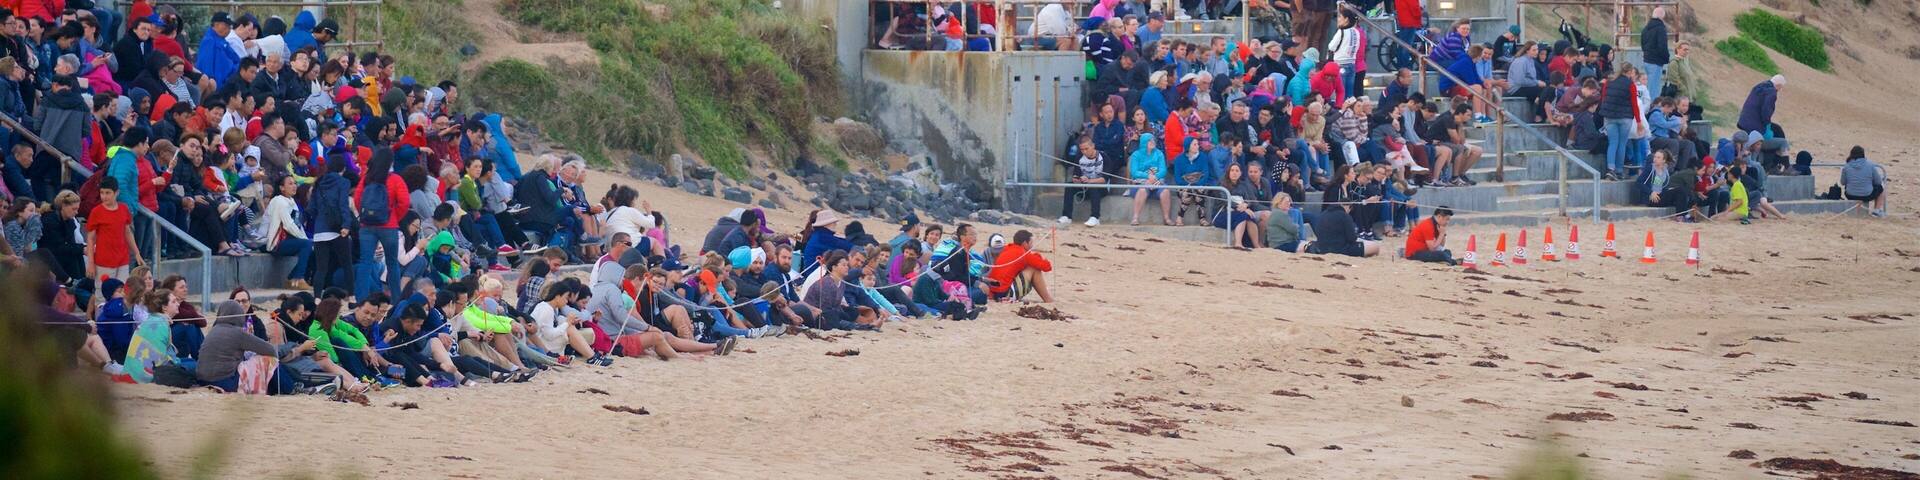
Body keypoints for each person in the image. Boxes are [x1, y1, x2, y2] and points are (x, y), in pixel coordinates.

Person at [196, 300, 301, 394]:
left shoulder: (213, 331)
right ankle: (290, 388)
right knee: (268, 360)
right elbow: (270, 350)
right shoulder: (237, 333)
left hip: (202, 380)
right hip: (225, 382)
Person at [259, 174, 312, 290]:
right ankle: (298, 278)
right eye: (290, 183)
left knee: (313, 246)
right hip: (272, 242)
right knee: (307, 244)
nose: (294, 186)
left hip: (286, 240)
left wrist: (308, 240)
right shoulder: (278, 201)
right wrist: (306, 241)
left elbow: (298, 226)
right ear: (282, 188)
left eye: (295, 183)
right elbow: (289, 225)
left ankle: (292, 279)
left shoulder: (292, 202)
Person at [86, 177, 142, 280]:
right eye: (102, 193)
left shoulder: (124, 209)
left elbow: (127, 232)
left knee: (122, 292)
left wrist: (136, 252)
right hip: (103, 261)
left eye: (108, 193)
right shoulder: (96, 212)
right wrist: (91, 263)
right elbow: (90, 238)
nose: (104, 196)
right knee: (103, 294)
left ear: (116, 193)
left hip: (122, 260)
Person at [985, 230, 1055, 303]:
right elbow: (1047, 267)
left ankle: (1048, 299)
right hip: (1004, 293)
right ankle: (1048, 300)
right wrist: (1037, 256)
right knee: (1034, 269)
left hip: (993, 292)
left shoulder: (1007, 248)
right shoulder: (1023, 254)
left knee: (1026, 267)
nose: (1032, 245)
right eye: (1031, 243)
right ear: (1025, 243)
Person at [1060, 138, 1108, 227]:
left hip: (1100, 188)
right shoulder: (1079, 157)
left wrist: (1090, 181)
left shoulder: (1104, 157)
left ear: (1093, 146)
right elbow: (1076, 175)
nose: (1084, 152)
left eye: (1086, 149)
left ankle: (1095, 217)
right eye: (1082, 149)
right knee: (1069, 186)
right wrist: (1078, 179)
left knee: (1094, 187)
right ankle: (1066, 216)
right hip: (1084, 187)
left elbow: (1104, 179)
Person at [1128, 133, 1174, 226]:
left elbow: (1163, 170)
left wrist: (1154, 177)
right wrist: (1147, 176)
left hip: (1157, 182)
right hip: (1140, 183)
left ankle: (1167, 218)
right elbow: (1134, 172)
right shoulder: (1136, 155)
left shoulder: (1159, 153)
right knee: (1142, 190)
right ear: (1144, 142)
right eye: (1150, 140)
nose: (1153, 142)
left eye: (1153, 140)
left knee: (1165, 191)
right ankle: (1135, 217)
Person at [1736, 75, 1788, 155]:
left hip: (1744, 122)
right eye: (1780, 88)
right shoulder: (1771, 92)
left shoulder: (1759, 86)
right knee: (1777, 140)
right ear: (1779, 85)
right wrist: (1767, 124)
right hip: (1755, 125)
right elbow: (1766, 111)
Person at [1308, 201, 1379, 257]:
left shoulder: (1322, 214)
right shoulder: (1344, 216)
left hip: (1322, 247)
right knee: (1375, 247)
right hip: (1341, 249)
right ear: (1347, 207)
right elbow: (1352, 238)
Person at [1840, 146, 1888, 217]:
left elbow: (1843, 182)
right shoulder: (1870, 165)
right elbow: (1878, 181)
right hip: (1867, 195)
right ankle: (1877, 210)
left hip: (1850, 195)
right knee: (1881, 187)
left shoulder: (1846, 166)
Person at [1640, 7, 1670, 94]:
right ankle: (1653, 107)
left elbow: (1643, 45)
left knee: (1647, 87)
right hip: (1656, 63)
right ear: (1662, 17)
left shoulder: (1645, 29)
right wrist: (1666, 58)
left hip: (1646, 61)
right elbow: (1662, 46)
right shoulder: (1660, 29)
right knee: (1654, 90)